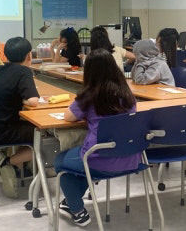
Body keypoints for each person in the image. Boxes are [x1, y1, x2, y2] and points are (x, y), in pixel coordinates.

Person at [55, 49, 138, 227]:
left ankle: (77, 210)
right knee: (80, 163)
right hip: (130, 158)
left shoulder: (89, 96)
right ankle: (70, 203)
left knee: (61, 162)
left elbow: (68, 117)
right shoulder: (128, 94)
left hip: (100, 160)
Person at [0, 37, 39, 198]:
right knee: (47, 136)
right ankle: (9, 162)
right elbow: (33, 101)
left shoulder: (0, 69)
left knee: (30, 128)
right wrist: (26, 98)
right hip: (2, 132)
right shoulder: (24, 71)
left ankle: (19, 163)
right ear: (29, 56)